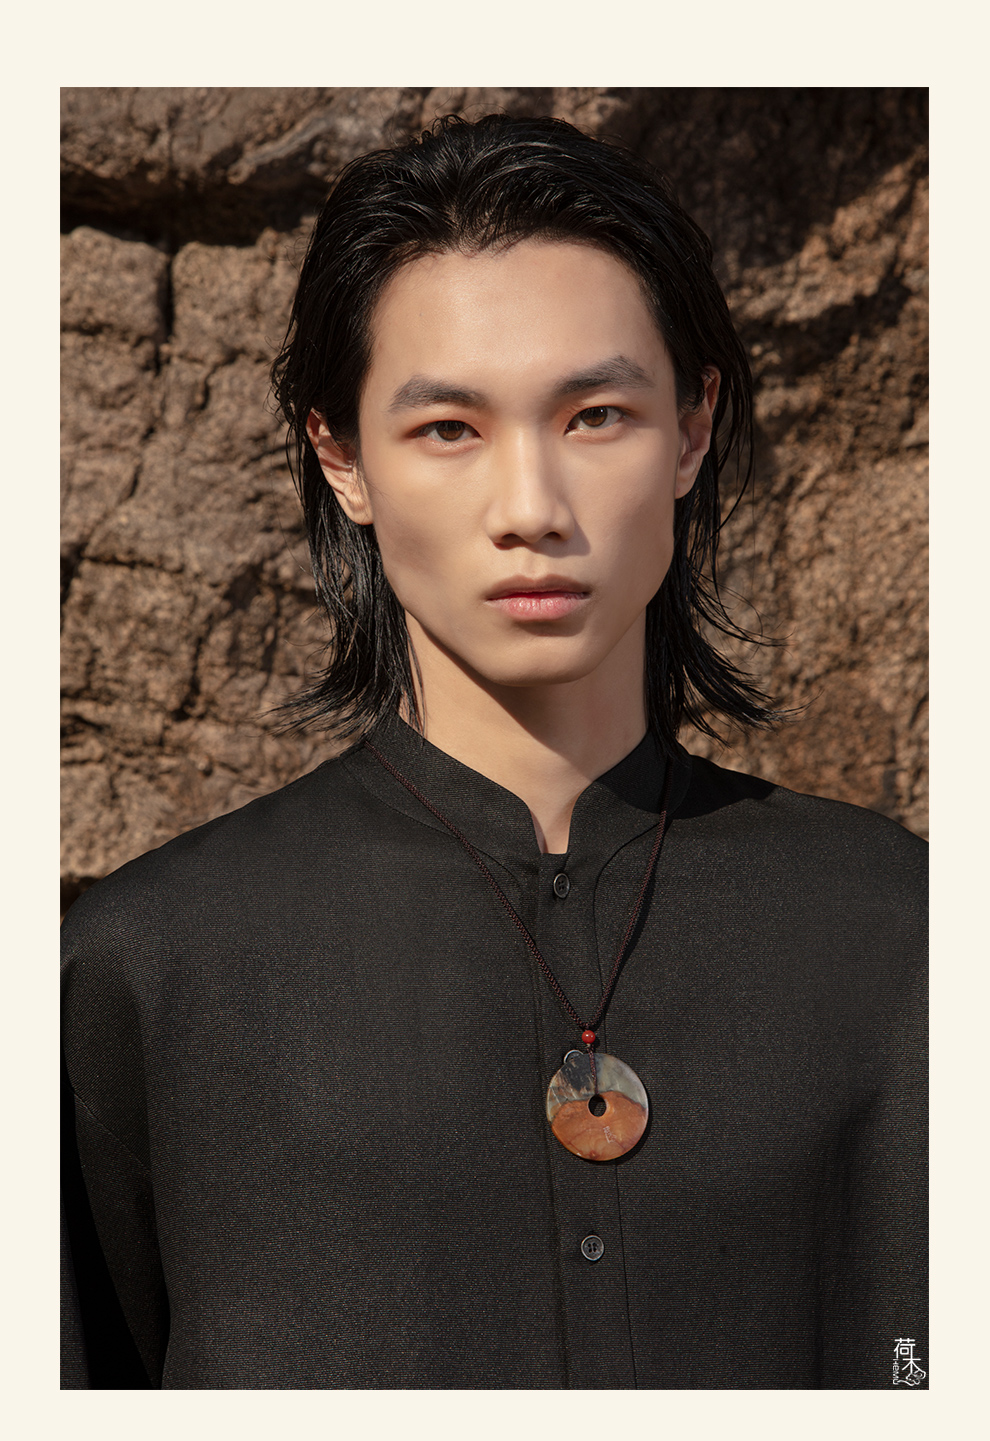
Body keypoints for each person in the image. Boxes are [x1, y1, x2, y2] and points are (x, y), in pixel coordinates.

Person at [61, 114, 927, 1390]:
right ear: (342, 458)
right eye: (449, 429)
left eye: (596, 414)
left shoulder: (906, 933)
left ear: (693, 432)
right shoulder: (150, 969)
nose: (531, 508)